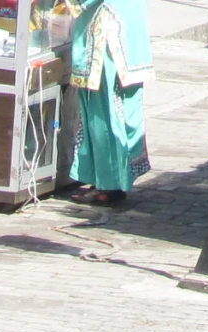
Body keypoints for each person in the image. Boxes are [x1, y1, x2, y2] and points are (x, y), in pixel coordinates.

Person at [68, 0, 151, 206]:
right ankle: (110, 180)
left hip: (108, 33)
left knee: (104, 115)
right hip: (124, 28)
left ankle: (108, 184)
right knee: (115, 110)